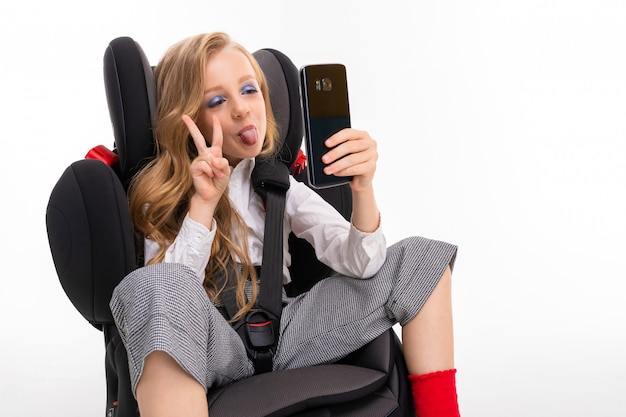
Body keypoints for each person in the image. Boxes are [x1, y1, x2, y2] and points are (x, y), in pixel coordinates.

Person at [110, 31, 460, 417]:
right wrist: (203, 205)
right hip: (212, 340)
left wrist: (363, 189)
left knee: (421, 258)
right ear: (187, 119)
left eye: (249, 90)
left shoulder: (278, 185)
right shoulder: (158, 195)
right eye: (218, 100)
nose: (243, 109)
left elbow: (363, 263)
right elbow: (168, 303)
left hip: (288, 330)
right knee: (151, 283)